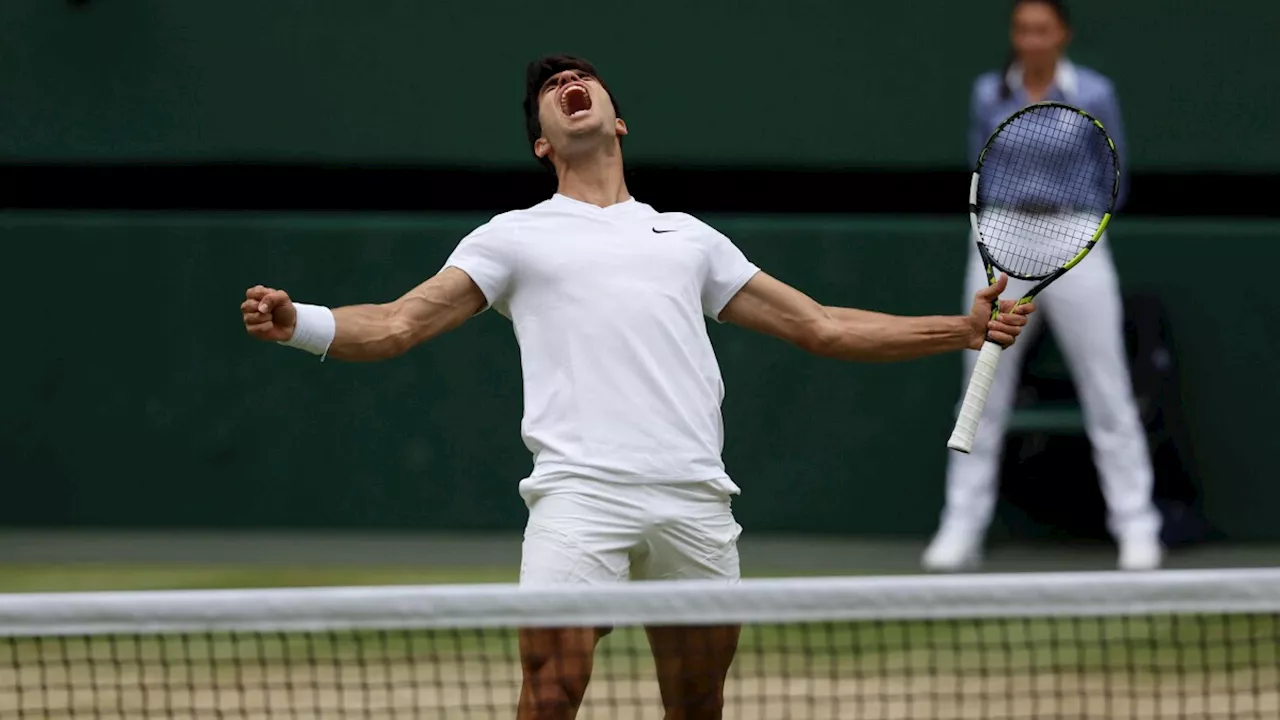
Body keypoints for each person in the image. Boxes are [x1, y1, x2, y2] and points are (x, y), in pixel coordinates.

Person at [241, 55, 1034, 720]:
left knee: (696, 707)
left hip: (694, 497)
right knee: (552, 689)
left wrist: (960, 331)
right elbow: (397, 322)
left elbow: (821, 324)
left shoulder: (689, 238)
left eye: (582, 78)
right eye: (551, 91)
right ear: (544, 146)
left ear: (616, 121)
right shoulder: (512, 236)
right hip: (580, 493)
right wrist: (300, 321)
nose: (568, 84)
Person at [922, 0, 1163, 574]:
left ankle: (1137, 529)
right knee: (982, 386)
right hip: (1001, 238)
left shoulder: (1095, 92)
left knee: (1107, 387)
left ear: (1062, 35)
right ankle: (960, 527)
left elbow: (1114, 172)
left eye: (1042, 28)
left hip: (1078, 234)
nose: (1031, 38)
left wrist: (1075, 221)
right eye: (1022, 29)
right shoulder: (989, 94)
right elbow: (978, 163)